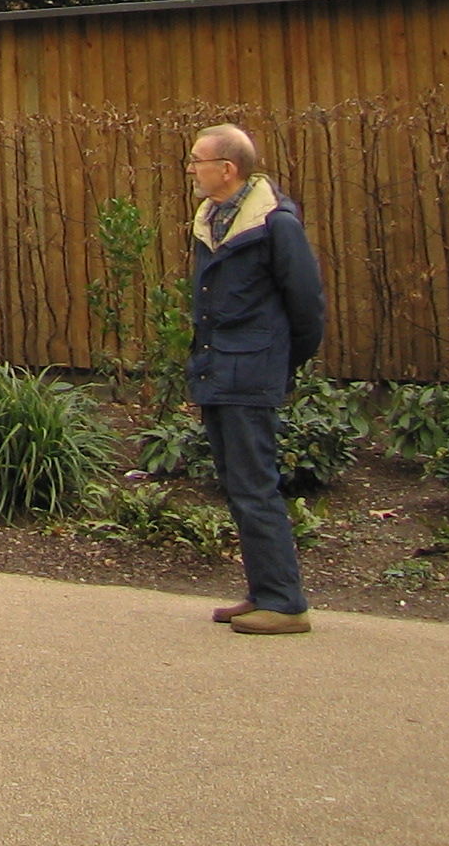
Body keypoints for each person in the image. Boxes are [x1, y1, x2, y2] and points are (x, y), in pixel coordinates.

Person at [186, 122, 328, 637]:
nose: (191, 170)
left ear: (227, 169)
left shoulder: (275, 224)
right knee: (237, 484)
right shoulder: (214, 219)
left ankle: (285, 603)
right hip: (218, 368)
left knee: (254, 486)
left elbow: (307, 306)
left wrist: (276, 362)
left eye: (197, 161)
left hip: (250, 371)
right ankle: (265, 591)